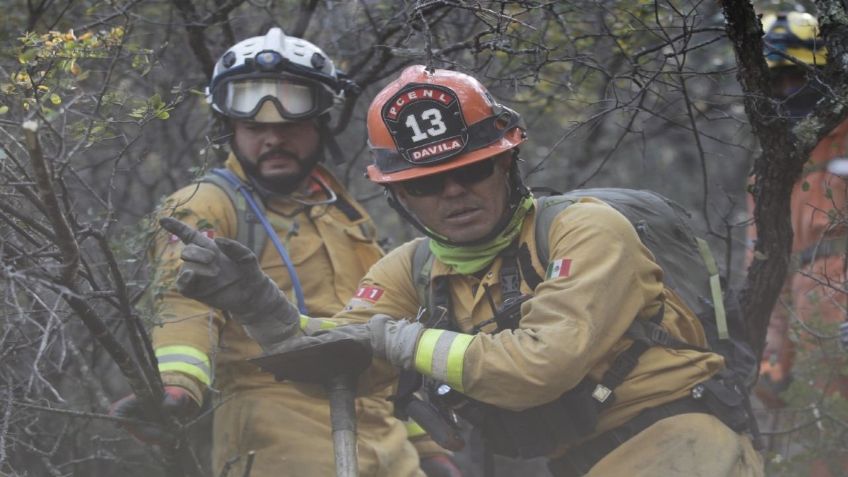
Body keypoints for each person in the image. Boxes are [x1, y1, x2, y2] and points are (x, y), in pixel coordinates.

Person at [163, 65, 764, 476]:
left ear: (508, 164)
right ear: (399, 197)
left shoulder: (587, 229)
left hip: (681, 444)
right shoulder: (412, 269)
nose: (453, 192)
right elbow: (339, 362)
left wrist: (400, 337)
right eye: (425, 182)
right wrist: (260, 308)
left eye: (472, 170)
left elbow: (540, 368)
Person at [110, 29, 459, 477]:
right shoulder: (205, 204)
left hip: (384, 436)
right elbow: (185, 301)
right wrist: (177, 385)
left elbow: (383, 332)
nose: (273, 139)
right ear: (230, 129)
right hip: (277, 434)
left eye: (290, 126)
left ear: (319, 125)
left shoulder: (341, 210)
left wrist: (427, 449)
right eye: (255, 128)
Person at [747, 11, 848, 476]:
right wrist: (772, 361)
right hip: (810, 338)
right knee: (816, 452)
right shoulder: (772, 171)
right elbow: (767, 271)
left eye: (797, 76)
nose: (788, 90)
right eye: (778, 79)